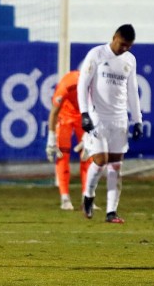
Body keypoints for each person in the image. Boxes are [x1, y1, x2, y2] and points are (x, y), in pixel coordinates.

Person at [77, 24, 143, 224]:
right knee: (100, 160)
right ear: (114, 37)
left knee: (116, 166)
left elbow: (132, 91)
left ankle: (111, 212)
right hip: (98, 117)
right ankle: (88, 196)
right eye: (123, 44)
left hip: (120, 119)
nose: (125, 49)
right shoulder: (97, 54)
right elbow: (83, 84)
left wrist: (138, 120)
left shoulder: (130, 60)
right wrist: (84, 113)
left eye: (128, 46)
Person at [46, 70, 93, 210]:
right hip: (64, 115)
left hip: (83, 117)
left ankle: (87, 197)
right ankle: (65, 197)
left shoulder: (96, 86)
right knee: (62, 154)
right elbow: (54, 112)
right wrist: (51, 138)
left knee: (88, 155)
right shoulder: (66, 85)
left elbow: (99, 111)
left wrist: (89, 135)